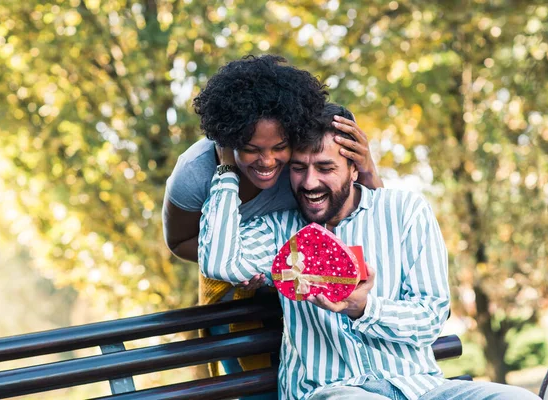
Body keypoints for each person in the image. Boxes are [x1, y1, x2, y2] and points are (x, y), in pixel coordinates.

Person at [198, 104, 540, 400]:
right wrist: (227, 166)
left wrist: (365, 308)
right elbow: (219, 262)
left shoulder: (404, 211)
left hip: (419, 388)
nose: (309, 182)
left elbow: (430, 318)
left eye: (326, 168)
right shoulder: (279, 232)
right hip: (329, 390)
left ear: (353, 167)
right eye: (299, 168)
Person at [162, 55, 384, 392]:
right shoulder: (194, 173)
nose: (267, 162)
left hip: (311, 291)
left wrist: (366, 168)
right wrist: (253, 263)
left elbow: (374, 218)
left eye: (279, 147)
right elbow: (179, 242)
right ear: (228, 139)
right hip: (237, 300)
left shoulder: (303, 163)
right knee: (258, 388)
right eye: (251, 149)